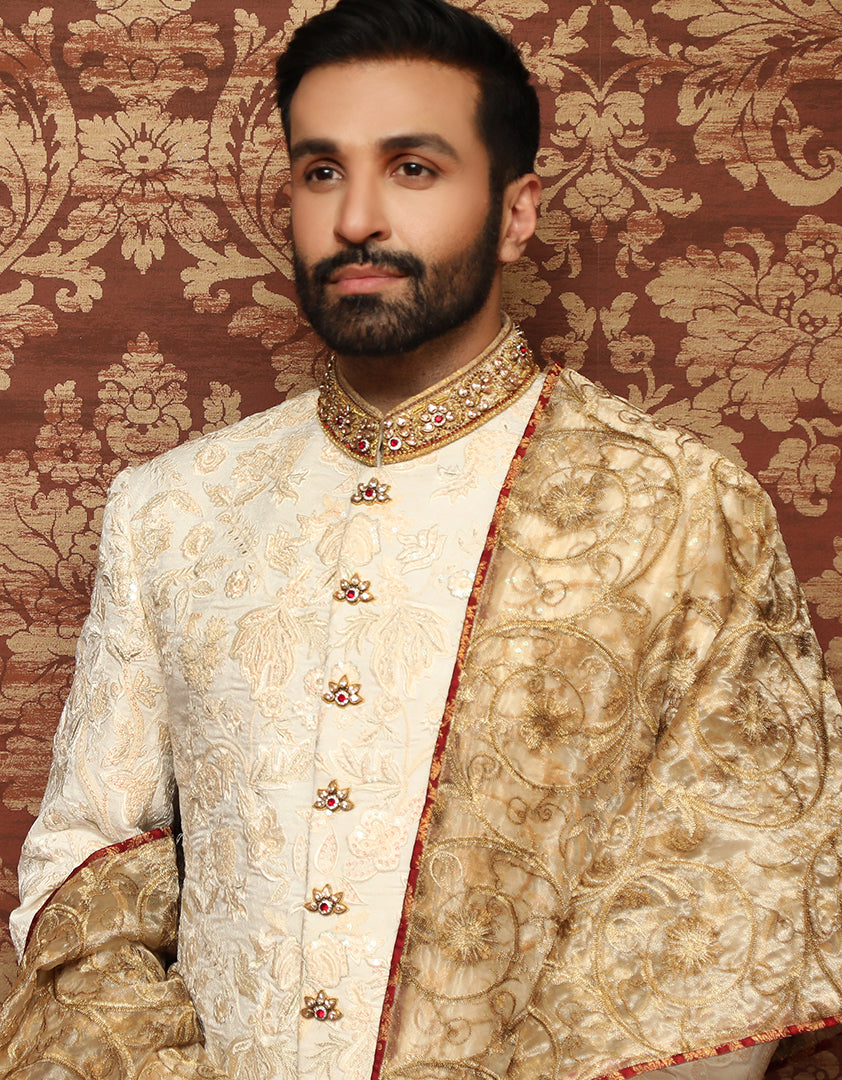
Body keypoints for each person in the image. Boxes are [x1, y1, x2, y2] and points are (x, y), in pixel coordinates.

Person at [1, 0, 840, 1077]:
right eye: (320, 171)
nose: (355, 217)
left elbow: (726, 904)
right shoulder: (172, 508)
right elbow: (87, 866)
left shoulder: (680, 509)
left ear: (516, 212)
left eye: (412, 169)